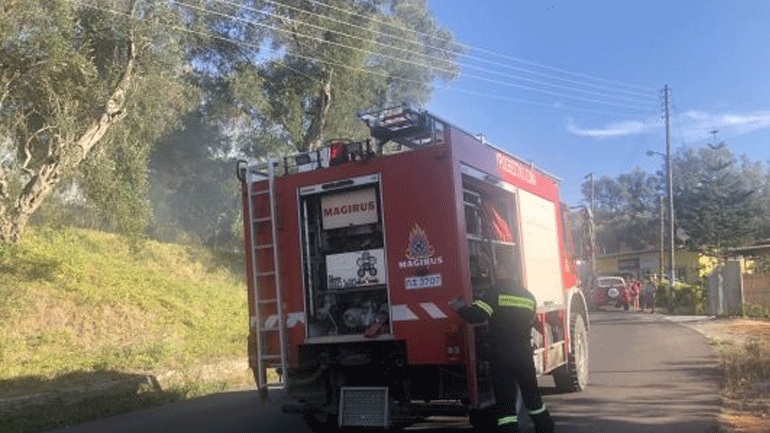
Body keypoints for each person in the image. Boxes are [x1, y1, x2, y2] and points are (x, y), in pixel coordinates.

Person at [449, 256, 555, 433]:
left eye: (498, 268)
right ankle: (546, 428)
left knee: (505, 403)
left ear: (502, 272)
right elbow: (532, 320)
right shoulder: (528, 296)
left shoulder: (494, 293)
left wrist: (459, 307)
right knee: (533, 399)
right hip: (524, 355)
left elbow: (477, 315)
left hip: (502, 356)